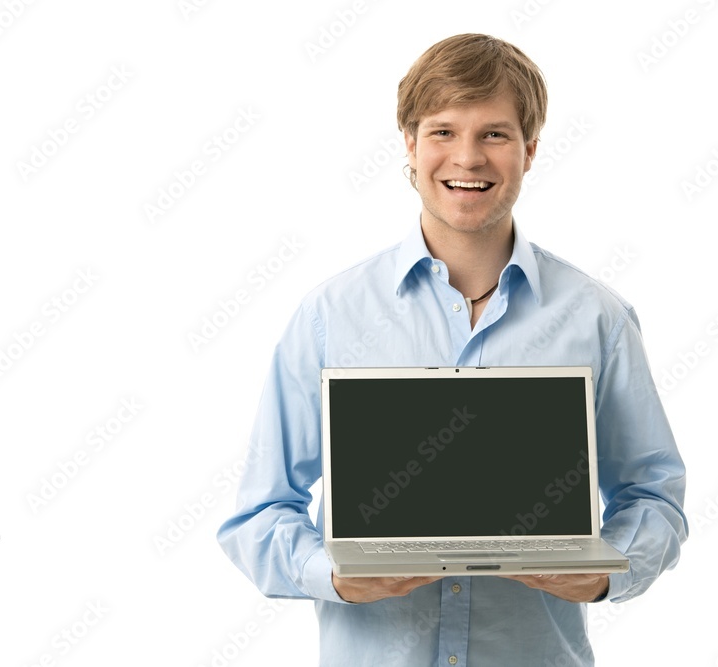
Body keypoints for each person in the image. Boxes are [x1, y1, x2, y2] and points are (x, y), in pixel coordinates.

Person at [217, 33, 687, 666]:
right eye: (443, 131)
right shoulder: (331, 316)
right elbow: (260, 512)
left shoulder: (597, 317)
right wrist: (330, 573)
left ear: (530, 151)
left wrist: (608, 571)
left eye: (495, 134)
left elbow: (654, 495)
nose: (468, 157)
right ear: (410, 145)